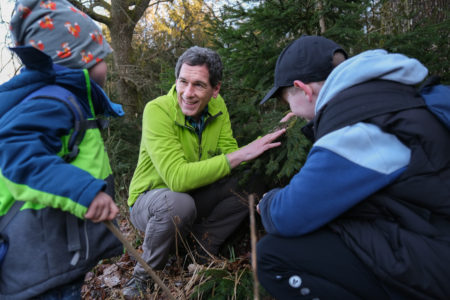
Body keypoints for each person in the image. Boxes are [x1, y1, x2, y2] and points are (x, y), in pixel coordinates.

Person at [257, 35, 450, 299]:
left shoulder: (358, 128)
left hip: (436, 260)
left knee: (270, 255)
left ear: (304, 90)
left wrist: (267, 202)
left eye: (286, 101)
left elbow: (289, 214)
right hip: (432, 235)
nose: (292, 113)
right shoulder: (397, 95)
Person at [123, 46, 286, 296]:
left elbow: (232, 156)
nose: (188, 93)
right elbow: (177, 179)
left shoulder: (217, 106)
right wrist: (241, 153)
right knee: (178, 203)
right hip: (151, 201)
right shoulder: (157, 110)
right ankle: (142, 278)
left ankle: (199, 250)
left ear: (215, 89)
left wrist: (275, 133)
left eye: (199, 85)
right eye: (183, 82)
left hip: (194, 195)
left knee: (250, 180)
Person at [0, 0, 125, 299]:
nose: (107, 64)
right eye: (100, 56)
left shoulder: (63, 100)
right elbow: (15, 153)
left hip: (50, 255)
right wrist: (83, 191)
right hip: (38, 262)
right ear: (75, 60)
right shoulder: (54, 101)